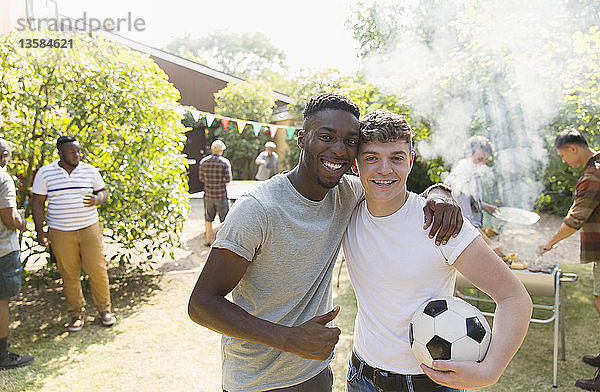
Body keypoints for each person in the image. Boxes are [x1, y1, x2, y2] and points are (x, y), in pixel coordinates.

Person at [188, 92, 463, 392]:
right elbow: (201, 304)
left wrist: (439, 192)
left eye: (349, 141)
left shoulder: (346, 193)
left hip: (316, 373)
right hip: (256, 380)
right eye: (327, 136)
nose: (338, 150)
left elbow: (390, 182)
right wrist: (288, 339)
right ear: (302, 138)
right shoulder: (257, 209)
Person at [343, 109, 532, 392]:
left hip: (431, 383)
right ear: (356, 166)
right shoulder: (346, 208)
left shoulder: (440, 223)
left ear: (411, 160)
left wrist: (490, 371)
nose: (384, 169)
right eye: (372, 158)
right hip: (361, 378)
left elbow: (514, 297)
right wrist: (439, 188)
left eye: (396, 157)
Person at [536, 129, 600, 391]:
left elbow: (576, 219)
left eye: (563, 155)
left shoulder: (592, 175)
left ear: (573, 148)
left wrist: (549, 243)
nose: (564, 161)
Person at [32, 136, 115, 332]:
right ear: (60, 153)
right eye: (72, 152)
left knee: (97, 270)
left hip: (89, 228)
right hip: (60, 231)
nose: (77, 155)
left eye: (78, 151)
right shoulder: (45, 173)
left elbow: (103, 192)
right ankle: (76, 314)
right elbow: (37, 203)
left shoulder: (89, 170)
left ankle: (104, 311)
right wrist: (40, 230)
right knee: (69, 274)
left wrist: (97, 198)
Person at [0, 138, 34, 369]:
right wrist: (22, 222)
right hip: (2, 251)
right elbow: (9, 219)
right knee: (2, 301)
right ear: (3, 156)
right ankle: (2, 356)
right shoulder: (3, 179)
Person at [445, 135, 505, 257]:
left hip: (470, 239)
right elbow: (466, 222)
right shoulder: (461, 177)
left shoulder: (473, 173)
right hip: (458, 242)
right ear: (468, 154)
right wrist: (490, 244)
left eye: (485, 160)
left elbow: (467, 201)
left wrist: (484, 206)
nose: (483, 164)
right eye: (479, 159)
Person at [198, 140, 232, 247]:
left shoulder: (204, 162)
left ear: (212, 149)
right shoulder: (225, 162)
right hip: (221, 195)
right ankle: (222, 242)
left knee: (208, 219)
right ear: (221, 150)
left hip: (208, 195)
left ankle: (208, 241)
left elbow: (201, 178)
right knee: (224, 220)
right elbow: (228, 179)